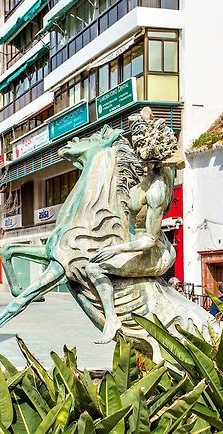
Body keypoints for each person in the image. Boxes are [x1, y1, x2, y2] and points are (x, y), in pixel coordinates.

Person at [86, 108, 183, 344]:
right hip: (136, 244)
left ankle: (112, 319)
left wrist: (115, 250)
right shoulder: (138, 185)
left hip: (154, 252)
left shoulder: (157, 189)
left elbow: (149, 239)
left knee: (94, 269)